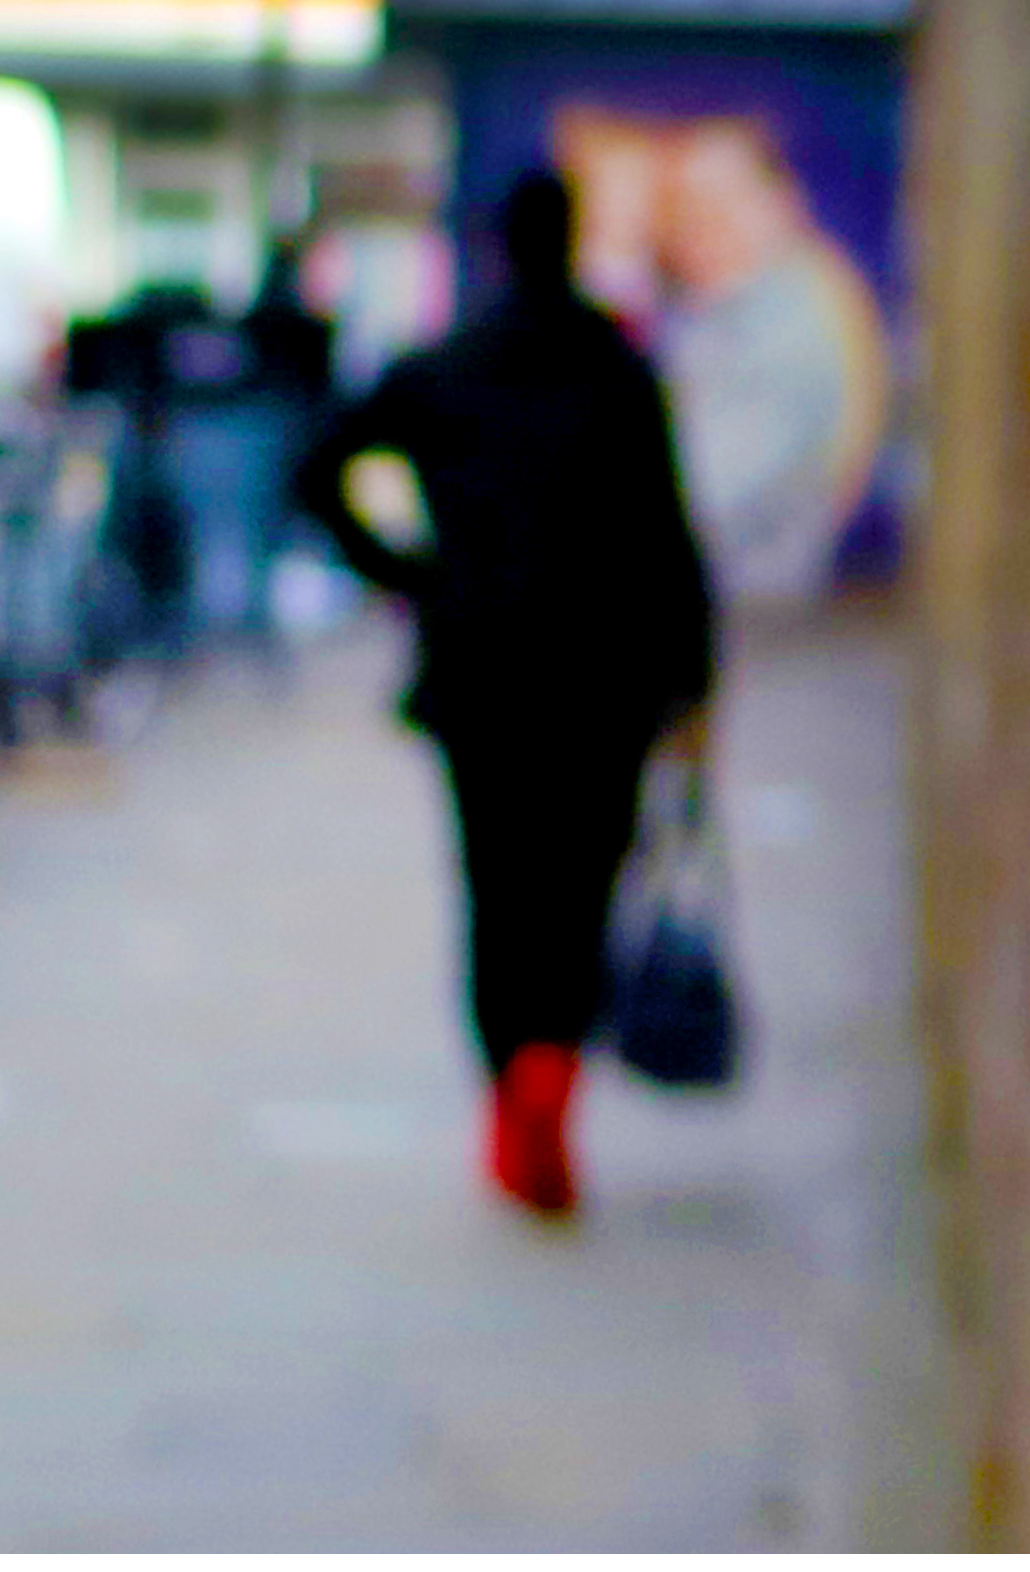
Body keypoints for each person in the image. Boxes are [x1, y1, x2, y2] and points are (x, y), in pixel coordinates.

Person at [285, 169, 716, 1218]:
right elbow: (665, 534)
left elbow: (317, 470)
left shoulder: (446, 368)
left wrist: (409, 572)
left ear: (494, 245)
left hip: (481, 676)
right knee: (578, 890)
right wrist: (694, 674)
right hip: (600, 686)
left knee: (496, 891)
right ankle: (547, 1085)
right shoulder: (617, 368)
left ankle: (513, 1095)